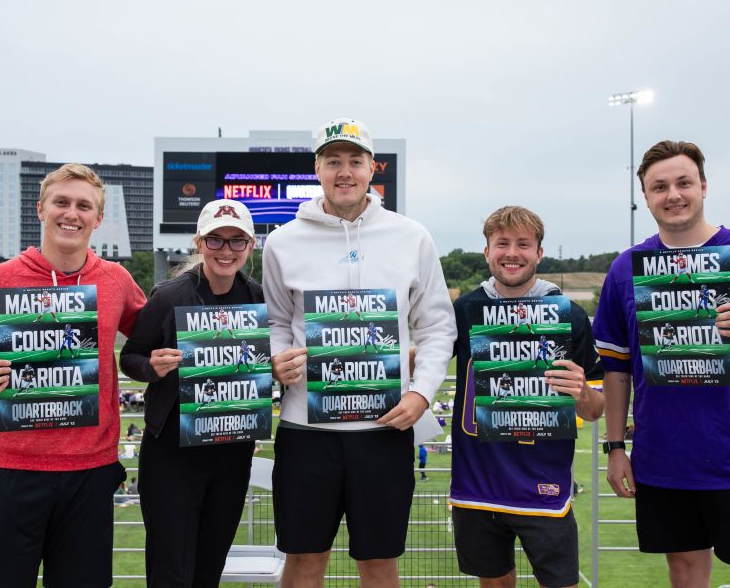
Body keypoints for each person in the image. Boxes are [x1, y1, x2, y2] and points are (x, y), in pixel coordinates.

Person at [593, 141, 730, 588]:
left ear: (704, 187)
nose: (673, 194)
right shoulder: (626, 269)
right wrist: (615, 447)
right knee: (685, 572)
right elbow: (615, 367)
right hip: (665, 457)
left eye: (683, 183)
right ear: (645, 196)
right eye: (660, 186)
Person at [265, 118, 458, 587]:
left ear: (374, 168)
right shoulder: (282, 241)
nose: (344, 171)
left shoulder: (412, 236)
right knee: (304, 559)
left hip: (385, 427)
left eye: (355, 161)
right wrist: (277, 359)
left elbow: (435, 325)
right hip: (305, 429)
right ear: (318, 168)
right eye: (334, 161)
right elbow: (273, 322)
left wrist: (421, 394)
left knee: (379, 563)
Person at [0, 163, 147, 588]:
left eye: (83, 205)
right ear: (41, 209)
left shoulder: (115, 280)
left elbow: (152, 335)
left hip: (91, 471)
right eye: (61, 202)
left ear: (98, 219)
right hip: (14, 468)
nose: (71, 213)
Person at [449, 206, 605, 588]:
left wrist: (582, 391)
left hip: (544, 484)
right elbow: (423, 360)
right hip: (477, 486)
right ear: (486, 252)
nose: (512, 253)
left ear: (539, 252)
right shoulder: (465, 310)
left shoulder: (568, 314)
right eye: (502, 244)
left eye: (523, 244)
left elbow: (597, 407)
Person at [119, 198, 264, 588]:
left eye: (237, 242)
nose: (226, 251)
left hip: (231, 451)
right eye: (216, 240)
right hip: (172, 452)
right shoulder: (169, 296)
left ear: (250, 246)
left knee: (209, 566)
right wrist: (153, 367)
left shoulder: (258, 299)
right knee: (171, 569)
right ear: (199, 243)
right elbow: (129, 356)